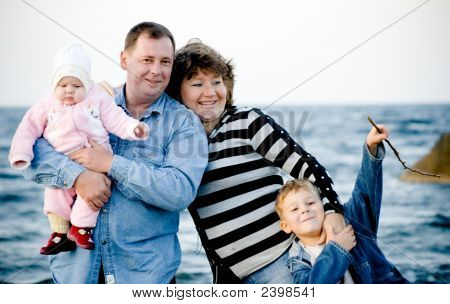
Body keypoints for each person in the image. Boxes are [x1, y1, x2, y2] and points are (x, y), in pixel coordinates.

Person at [23, 22, 208, 283]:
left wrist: (111, 164)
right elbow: (30, 151)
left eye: (165, 62)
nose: (156, 71)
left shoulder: (183, 123)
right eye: (147, 59)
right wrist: (77, 177)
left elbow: (179, 192)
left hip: (145, 278)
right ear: (124, 59)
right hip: (77, 274)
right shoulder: (87, 101)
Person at [166, 40, 346, 283]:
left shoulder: (247, 121)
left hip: (282, 264)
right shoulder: (180, 140)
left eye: (217, 82)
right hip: (229, 275)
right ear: (178, 91)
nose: (210, 92)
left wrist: (332, 209)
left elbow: (307, 167)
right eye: (197, 84)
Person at [9, 43, 149, 255]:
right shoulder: (46, 104)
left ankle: (81, 228)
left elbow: (116, 119)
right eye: (63, 85)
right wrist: (21, 154)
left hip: (95, 159)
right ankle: (59, 233)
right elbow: (27, 130)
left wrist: (134, 128)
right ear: (54, 83)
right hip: (63, 158)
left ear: (87, 84)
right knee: (55, 194)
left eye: (76, 86)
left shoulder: (98, 98)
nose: (69, 91)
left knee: (93, 196)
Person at [275, 126, 409, 283]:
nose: (304, 209)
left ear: (323, 206)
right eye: (294, 209)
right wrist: (338, 249)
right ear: (286, 226)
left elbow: (364, 192)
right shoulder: (298, 261)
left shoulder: (351, 223)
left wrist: (371, 148)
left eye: (310, 202)